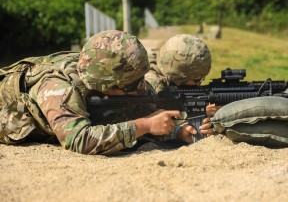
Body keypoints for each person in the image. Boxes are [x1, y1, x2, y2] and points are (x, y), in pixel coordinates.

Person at [0, 30, 213, 155]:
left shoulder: (110, 74)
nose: (140, 89)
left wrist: (178, 130)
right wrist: (145, 125)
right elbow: (78, 140)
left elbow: (145, 108)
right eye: (131, 86)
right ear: (105, 86)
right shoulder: (58, 87)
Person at [144, 34, 220, 117]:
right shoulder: (153, 86)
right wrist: (199, 112)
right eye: (197, 79)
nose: (199, 83)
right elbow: (156, 121)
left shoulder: (167, 62)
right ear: (179, 78)